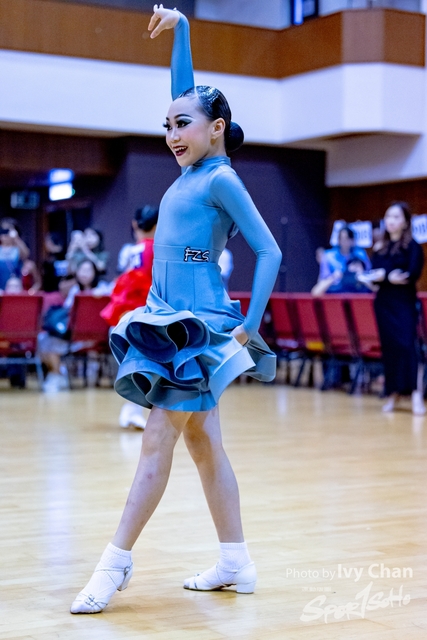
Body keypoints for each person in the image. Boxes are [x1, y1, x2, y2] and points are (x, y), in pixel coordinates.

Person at [70, 5, 281, 615]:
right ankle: (236, 562)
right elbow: (183, 91)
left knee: (158, 437)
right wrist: (182, 29)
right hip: (168, 319)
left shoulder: (221, 180)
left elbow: (269, 250)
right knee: (205, 446)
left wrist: (249, 327)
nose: (172, 134)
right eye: (166, 125)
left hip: (200, 328)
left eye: (183, 124)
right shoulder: (189, 171)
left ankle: (114, 563)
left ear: (217, 128)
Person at [359, 202, 425, 415]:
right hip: (384, 304)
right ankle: (392, 393)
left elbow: (410, 274)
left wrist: (385, 276)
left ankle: (416, 395)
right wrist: (382, 277)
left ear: (405, 221)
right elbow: (377, 276)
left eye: (396, 217)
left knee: (407, 346)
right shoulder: (380, 248)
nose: (391, 221)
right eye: (388, 217)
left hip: (404, 303)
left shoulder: (412, 247)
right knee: (390, 349)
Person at [101, 205, 159, 430]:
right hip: (141, 315)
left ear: (135, 225)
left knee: (142, 365)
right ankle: (133, 411)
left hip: (126, 315)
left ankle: (133, 410)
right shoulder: (155, 249)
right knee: (144, 364)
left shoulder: (133, 250)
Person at [39, 260, 111, 392]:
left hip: (99, 337)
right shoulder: (75, 291)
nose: (84, 274)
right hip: (75, 337)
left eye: (88, 270)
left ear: (95, 273)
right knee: (43, 340)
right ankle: (58, 374)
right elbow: (67, 315)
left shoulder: (105, 289)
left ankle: (58, 375)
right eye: (82, 270)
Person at [317, 226, 371, 293]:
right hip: (335, 292)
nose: (344, 242)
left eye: (347, 239)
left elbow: (369, 274)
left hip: (357, 291)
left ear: (352, 240)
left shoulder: (360, 254)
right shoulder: (328, 256)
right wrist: (334, 276)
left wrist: (360, 274)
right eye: (341, 239)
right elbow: (322, 280)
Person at [0, 218, 30, 290]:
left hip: (15, 286)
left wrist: (16, 238)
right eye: (3, 231)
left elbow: (26, 255)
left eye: (8, 231)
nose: (5, 235)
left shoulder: (17, 249)